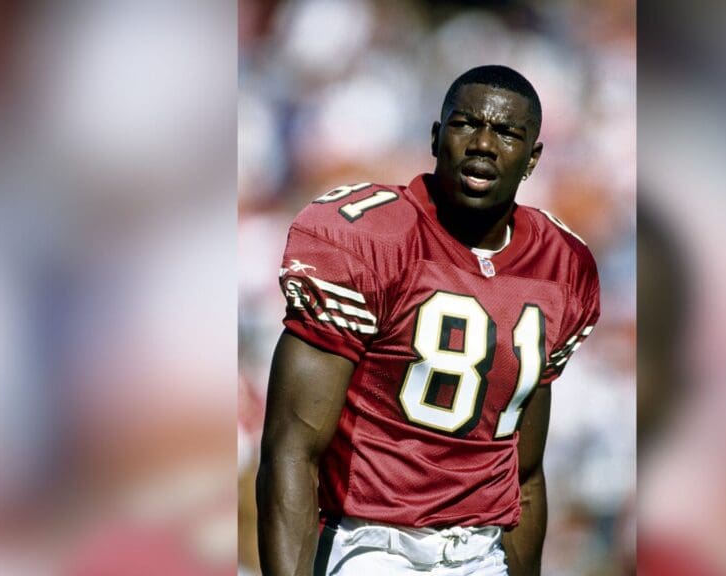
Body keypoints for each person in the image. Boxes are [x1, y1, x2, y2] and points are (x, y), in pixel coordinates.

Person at [257, 65, 601, 576]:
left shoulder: (564, 265)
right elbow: (292, 447)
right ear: (437, 137)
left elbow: (524, 475)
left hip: (480, 552)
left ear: (533, 158)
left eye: (507, 133)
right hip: (369, 545)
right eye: (466, 125)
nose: (483, 144)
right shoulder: (368, 237)